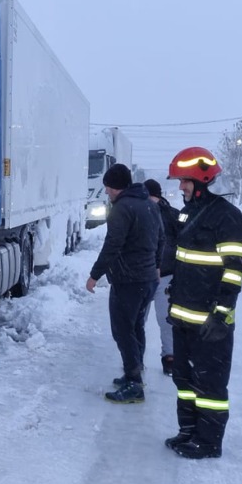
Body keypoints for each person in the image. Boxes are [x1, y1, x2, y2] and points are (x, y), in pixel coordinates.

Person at [164, 147, 242, 459]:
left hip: (210, 322)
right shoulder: (188, 213)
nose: (181, 187)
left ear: (201, 181)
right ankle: (188, 431)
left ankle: (209, 442)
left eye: (184, 181)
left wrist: (222, 313)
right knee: (184, 380)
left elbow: (234, 270)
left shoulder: (228, 217)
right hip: (183, 317)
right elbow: (184, 261)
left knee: (209, 385)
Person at [85, 164, 164, 404]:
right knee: (136, 326)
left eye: (108, 187)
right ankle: (135, 372)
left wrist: (94, 275)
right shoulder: (149, 205)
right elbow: (162, 238)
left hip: (128, 280)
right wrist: (157, 266)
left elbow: (112, 245)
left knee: (122, 330)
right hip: (147, 279)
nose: (106, 191)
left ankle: (134, 383)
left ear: (116, 186)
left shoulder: (121, 208)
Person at [143, 178, 180, 375]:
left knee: (166, 319)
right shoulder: (139, 213)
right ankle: (135, 358)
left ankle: (170, 357)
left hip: (166, 275)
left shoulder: (173, 215)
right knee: (138, 319)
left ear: (157, 196)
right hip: (142, 275)